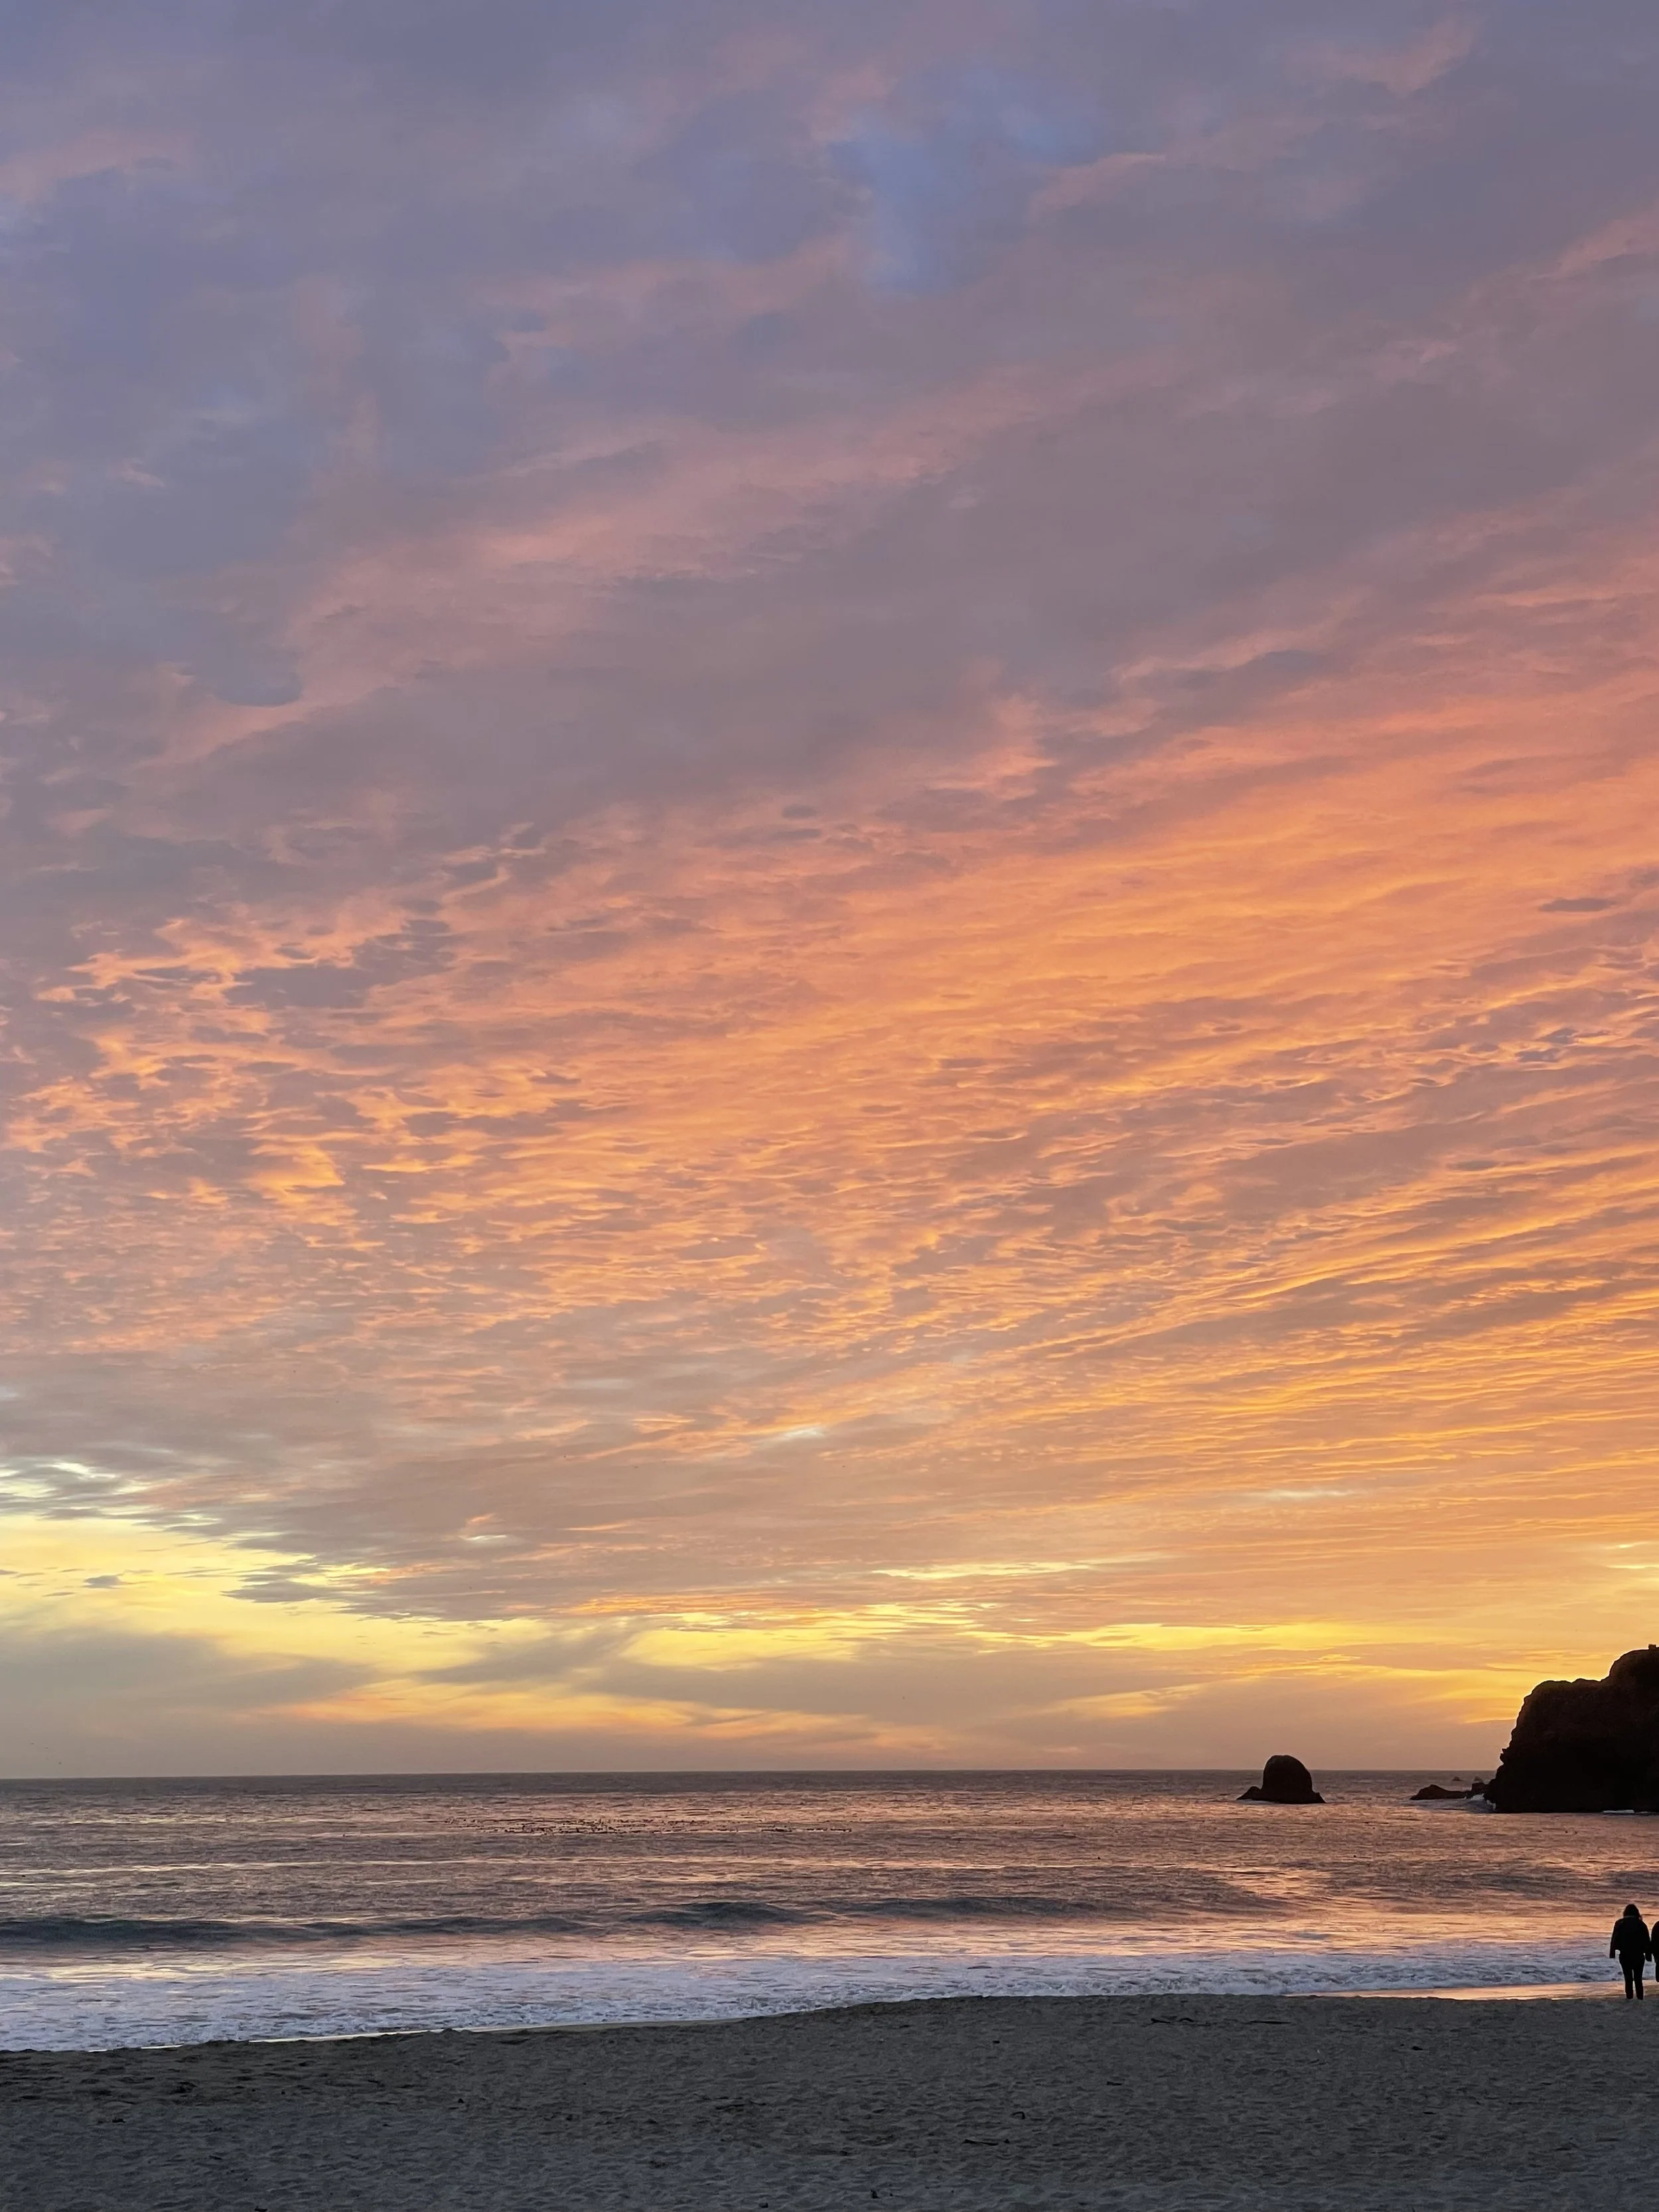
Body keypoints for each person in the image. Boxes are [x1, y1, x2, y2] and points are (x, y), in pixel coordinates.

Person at [1609, 1903, 1651, 1999]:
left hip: (1625, 1955)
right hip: (1639, 1956)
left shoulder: (1620, 1923)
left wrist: (1613, 1953)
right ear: (1637, 1913)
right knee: (1638, 1979)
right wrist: (1649, 1956)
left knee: (1628, 1978)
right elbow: (1646, 1941)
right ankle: (1640, 1998)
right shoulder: (1641, 1924)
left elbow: (1614, 1939)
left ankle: (1630, 1997)